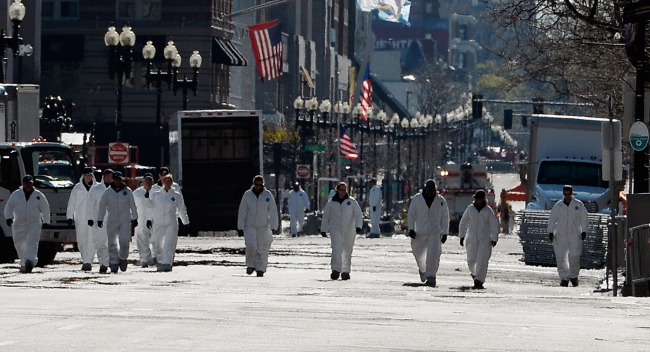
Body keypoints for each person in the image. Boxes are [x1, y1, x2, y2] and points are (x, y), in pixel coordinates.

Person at [407, 179, 450, 287]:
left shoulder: (440, 201)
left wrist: (445, 232)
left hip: (434, 233)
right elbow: (411, 214)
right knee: (418, 253)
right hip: (419, 232)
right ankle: (423, 269)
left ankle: (431, 276)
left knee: (434, 255)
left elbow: (445, 217)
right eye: (429, 190)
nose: (430, 192)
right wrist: (411, 228)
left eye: (432, 190)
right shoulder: (417, 199)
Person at [4, 175, 50, 273]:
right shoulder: (16, 194)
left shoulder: (39, 195)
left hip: (34, 223)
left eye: (30, 183)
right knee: (19, 243)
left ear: (32, 183)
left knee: (32, 242)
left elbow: (45, 208)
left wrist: (46, 221)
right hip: (18, 223)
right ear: (23, 184)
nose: (28, 185)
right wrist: (8, 217)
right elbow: (9, 206)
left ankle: (30, 260)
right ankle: (24, 262)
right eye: (26, 183)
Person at [96, 171, 138, 273]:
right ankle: (114, 261)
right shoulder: (108, 192)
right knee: (112, 242)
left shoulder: (127, 191)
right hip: (112, 220)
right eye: (116, 179)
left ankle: (123, 258)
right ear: (113, 180)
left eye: (119, 179)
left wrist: (135, 218)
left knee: (124, 240)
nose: (118, 181)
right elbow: (102, 206)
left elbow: (133, 205)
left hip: (125, 220)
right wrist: (100, 219)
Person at [237, 175, 278, 277]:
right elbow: (242, 211)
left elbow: (273, 210)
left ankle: (260, 268)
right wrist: (240, 226)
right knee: (250, 245)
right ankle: (250, 264)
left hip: (263, 226)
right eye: (257, 185)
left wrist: (274, 225)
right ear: (253, 184)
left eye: (260, 185)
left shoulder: (267, 195)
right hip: (250, 225)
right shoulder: (247, 195)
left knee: (262, 247)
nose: (259, 187)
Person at [547, 185, 588, 287]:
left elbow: (584, 218)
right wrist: (550, 231)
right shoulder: (558, 206)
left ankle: (574, 276)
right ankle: (564, 277)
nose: (567, 196)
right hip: (560, 235)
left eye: (569, 194)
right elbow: (552, 218)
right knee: (561, 257)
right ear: (563, 194)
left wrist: (584, 231)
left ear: (572, 193)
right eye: (565, 194)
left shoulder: (578, 205)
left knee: (574, 255)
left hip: (574, 234)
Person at [320, 182, 362, 281]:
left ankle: (345, 271)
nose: (343, 191)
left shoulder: (351, 202)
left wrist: (358, 226)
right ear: (337, 190)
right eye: (341, 189)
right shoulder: (331, 203)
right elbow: (326, 216)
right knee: (337, 249)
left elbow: (358, 213)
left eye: (345, 189)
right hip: (335, 230)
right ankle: (335, 269)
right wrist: (323, 229)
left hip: (349, 230)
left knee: (347, 250)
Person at [458, 189, 499, 289]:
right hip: (471, 239)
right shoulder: (470, 209)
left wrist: (494, 238)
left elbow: (494, 225)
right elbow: (463, 222)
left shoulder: (488, 211)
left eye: (478, 199)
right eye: (476, 198)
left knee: (482, 261)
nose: (477, 200)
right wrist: (462, 235)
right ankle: (474, 273)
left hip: (484, 240)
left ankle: (479, 280)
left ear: (482, 199)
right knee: (471, 260)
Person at [149, 174, 189, 272]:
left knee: (169, 243)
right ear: (162, 182)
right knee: (158, 243)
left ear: (172, 183)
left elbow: (182, 209)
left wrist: (185, 221)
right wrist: (148, 219)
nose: (167, 183)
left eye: (169, 181)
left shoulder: (176, 195)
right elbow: (150, 207)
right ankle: (160, 261)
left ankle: (167, 263)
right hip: (158, 222)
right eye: (165, 181)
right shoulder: (156, 195)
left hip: (171, 222)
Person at [66, 166, 97, 271]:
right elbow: (71, 202)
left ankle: (88, 261)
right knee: (82, 240)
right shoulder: (77, 188)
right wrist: (69, 216)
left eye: (90, 175)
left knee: (91, 239)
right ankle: (85, 258)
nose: (89, 177)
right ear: (83, 175)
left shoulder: (97, 188)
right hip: (80, 218)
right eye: (87, 175)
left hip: (93, 219)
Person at [86, 169, 113, 273]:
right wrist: (90, 218)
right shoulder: (96, 189)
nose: (108, 178)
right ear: (104, 176)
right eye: (107, 176)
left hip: (113, 220)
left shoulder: (117, 189)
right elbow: (90, 204)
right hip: (100, 221)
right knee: (101, 243)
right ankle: (103, 264)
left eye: (110, 176)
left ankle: (113, 263)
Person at [133, 173, 156, 267]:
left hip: (155, 220)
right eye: (146, 181)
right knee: (141, 241)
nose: (148, 183)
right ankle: (144, 260)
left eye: (150, 181)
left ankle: (155, 258)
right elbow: (131, 206)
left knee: (156, 241)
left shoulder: (158, 192)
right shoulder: (136, 193)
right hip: (141, 220)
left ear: (153, 182)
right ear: (142, 181)